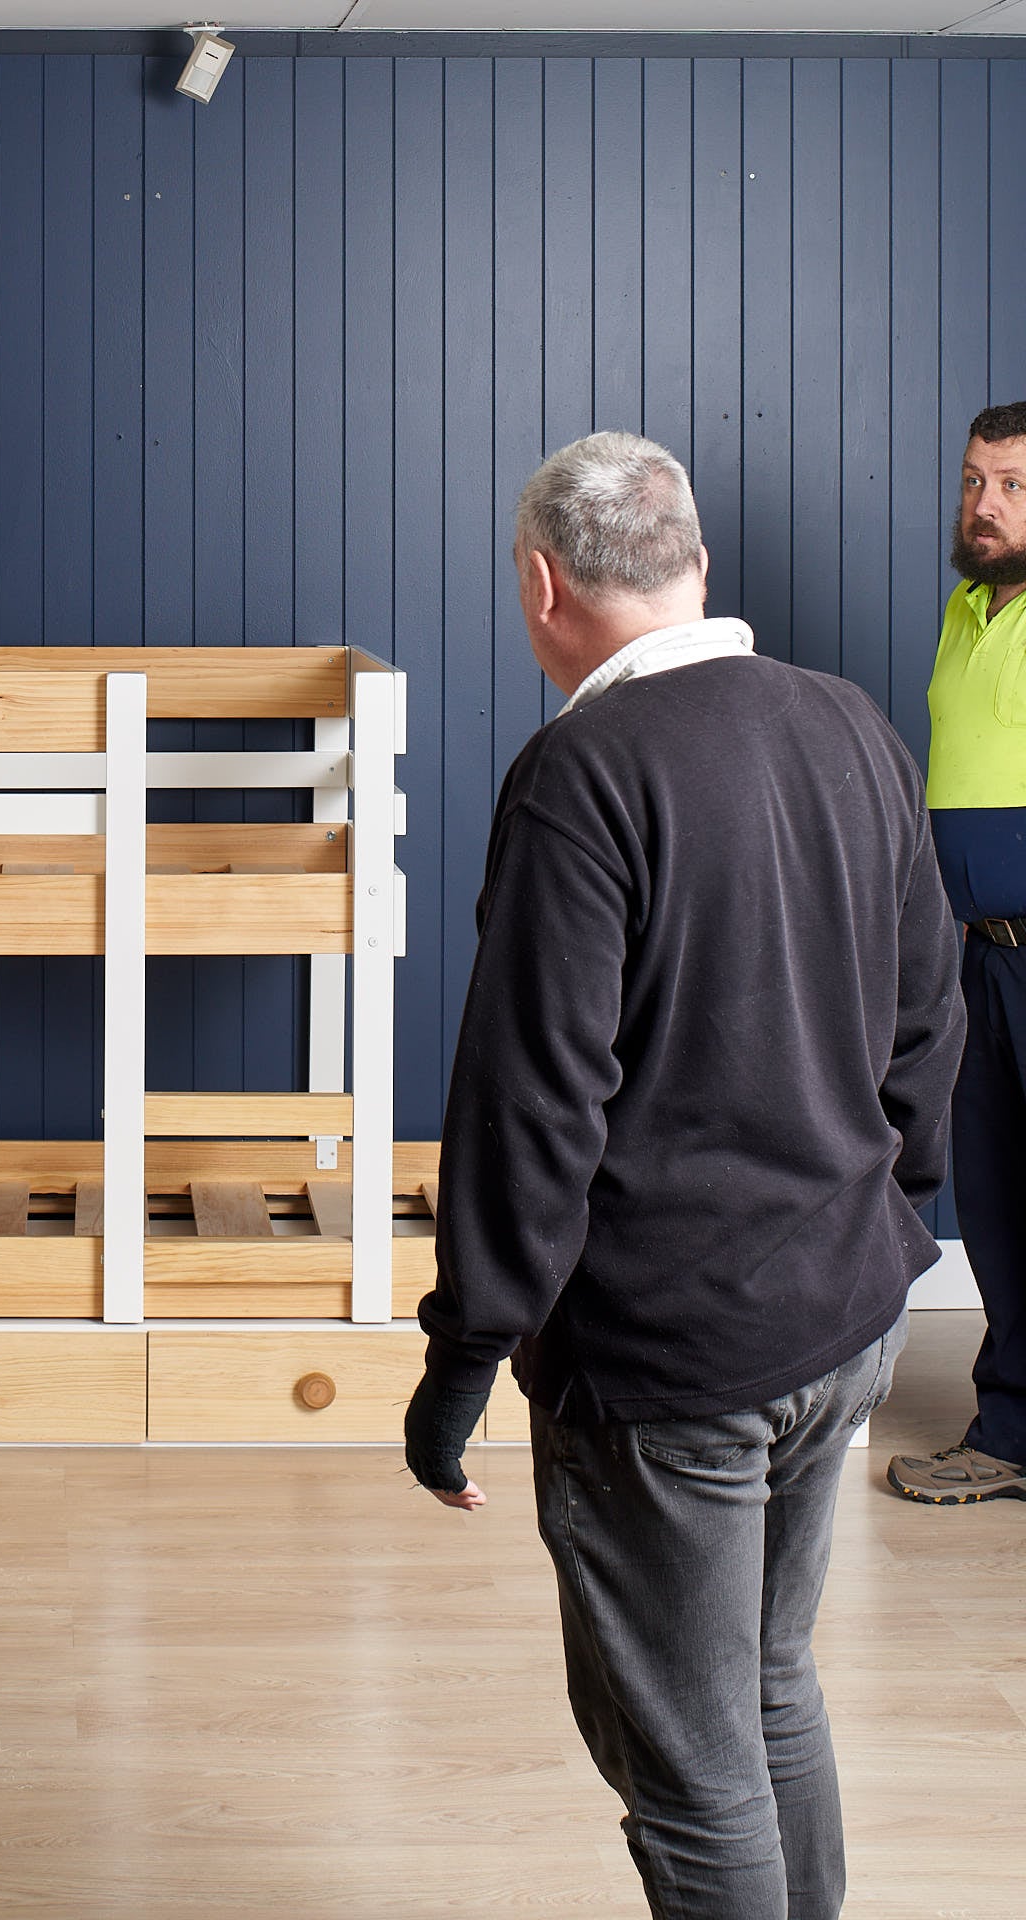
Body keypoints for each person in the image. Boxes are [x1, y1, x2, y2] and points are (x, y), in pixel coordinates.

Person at [401, 433, 964, 1920]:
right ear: (697, 564)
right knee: (769, 1688)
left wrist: (463, 1357)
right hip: (846, 1316)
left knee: (690, 1757)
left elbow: (533, 1100)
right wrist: (894, 1209)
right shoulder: (849, 723)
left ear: (541, 587)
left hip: (673, 1362)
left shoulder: (581, 772)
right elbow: (929, 1015)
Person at [888, 400, 1026, 1504]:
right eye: (976, 481)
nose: (986, 506)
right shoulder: (966, 607)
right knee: (995, 1197)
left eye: (1016, 486)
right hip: (978, 957)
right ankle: (1012, 1436)